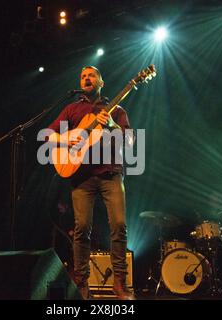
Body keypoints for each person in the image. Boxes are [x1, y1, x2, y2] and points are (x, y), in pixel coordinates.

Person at [47, 66, 134, 300]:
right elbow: (48, 134)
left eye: (91, 75)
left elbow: (129, 142)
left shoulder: (116, 109)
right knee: (81, 228)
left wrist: (112, 126)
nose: (86, 78)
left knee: (118, 225)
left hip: (110, 174)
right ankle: (82, 283)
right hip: (81, 177)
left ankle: (120, 283)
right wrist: (66, 137)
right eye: (83, 76)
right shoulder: (72, 109)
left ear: (101, 82)